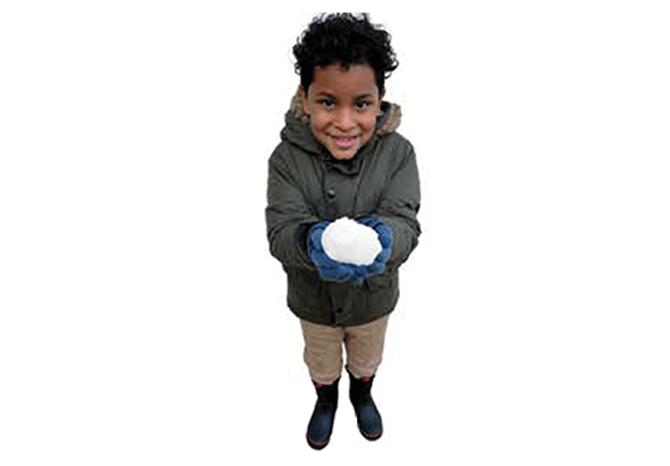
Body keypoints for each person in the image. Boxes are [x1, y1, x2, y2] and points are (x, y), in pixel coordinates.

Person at [265, 13, 421, 449]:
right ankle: (326, 398)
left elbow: (406, 222)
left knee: (367, 355)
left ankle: (362, 392)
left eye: (362, 104)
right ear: (306, 97)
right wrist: (310, 244)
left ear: (380, 98)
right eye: (328, 102)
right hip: (313, 301)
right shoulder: (285, 159)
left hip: (373, 299)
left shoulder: (398, 154)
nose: (345, 122)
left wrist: (385, 239)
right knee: (321, 360)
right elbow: (280, 231)